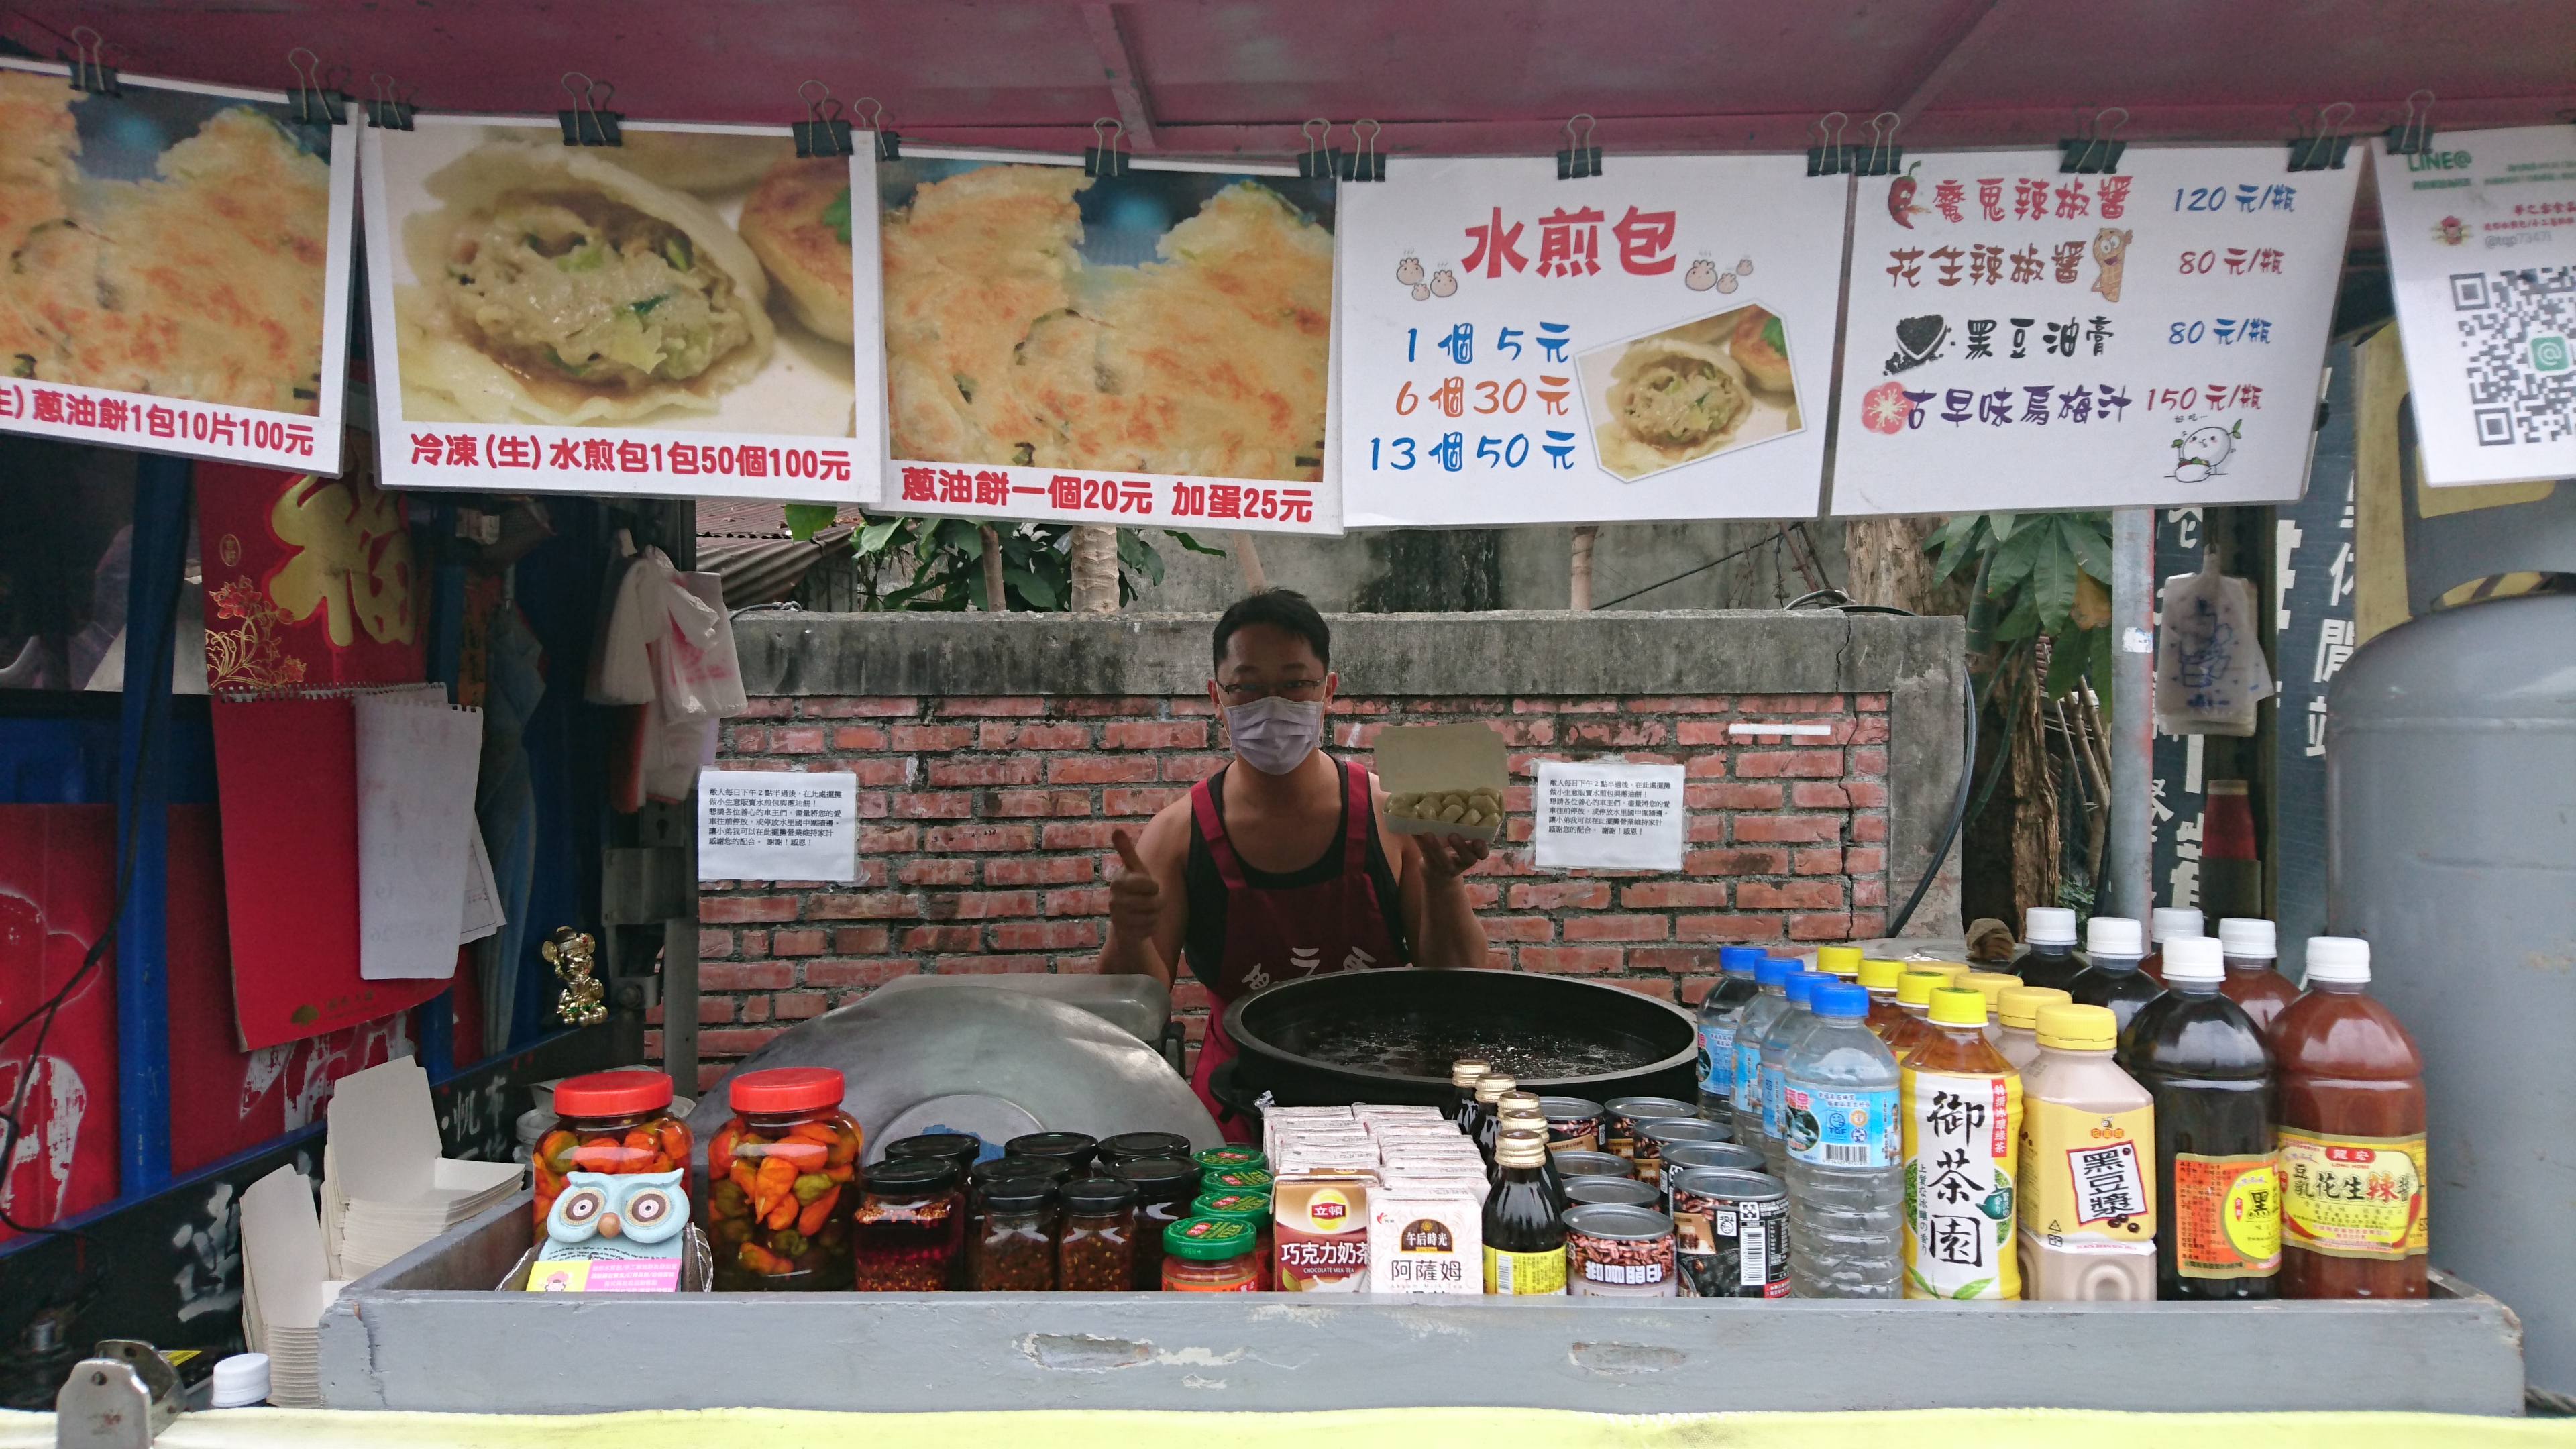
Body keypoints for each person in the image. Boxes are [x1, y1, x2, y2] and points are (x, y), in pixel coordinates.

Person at [1101, 590, 1491, 1136]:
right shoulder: (1177, 836)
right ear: (1217, 698)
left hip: (1386, 1110)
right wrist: (1127, 930)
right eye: (1248, 686)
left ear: (1328, 690)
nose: (1272, 702)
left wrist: (1443, 881)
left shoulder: (1390, 817)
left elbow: (1461, 987)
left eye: (1294, 683)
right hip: (1239, 1113)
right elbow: (1131, 1014)